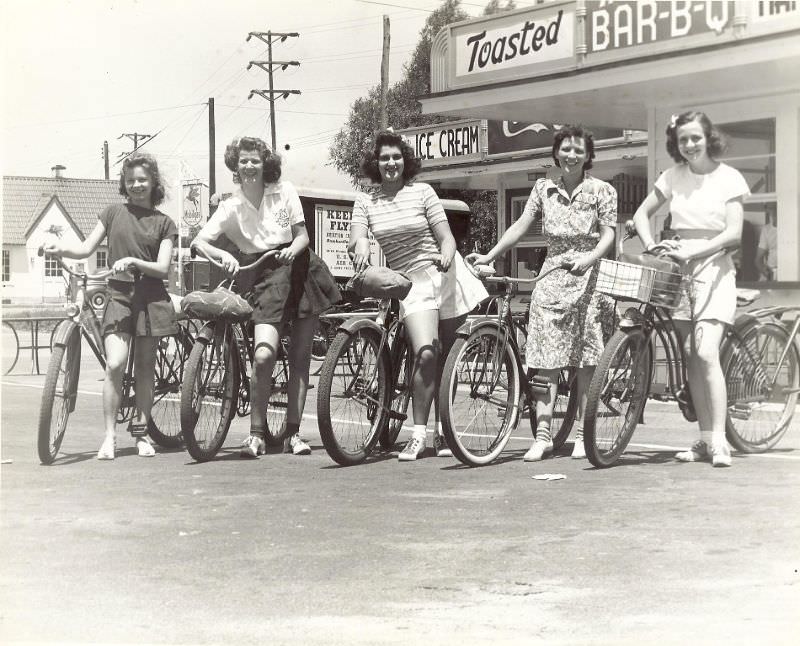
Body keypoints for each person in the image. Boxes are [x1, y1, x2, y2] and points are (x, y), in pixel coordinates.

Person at [467, 124, 617, 461]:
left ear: (589, 155)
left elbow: (608, 235)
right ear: (556, 152)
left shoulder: (603, 190)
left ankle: (583, 433)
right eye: (566, 148)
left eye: (579, 150)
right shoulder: (542, 188)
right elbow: (521, 225)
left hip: (590, 276)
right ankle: (543, 435)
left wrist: (589, 258)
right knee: (545, 361)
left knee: (586, 362)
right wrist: (491, 254)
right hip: (551, 276)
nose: (572, 155)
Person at [192, 136, 340, 458]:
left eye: (254, 160)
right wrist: (222, 254)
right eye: (243, 161)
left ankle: (294, 434)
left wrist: (290, 250)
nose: (248, 166)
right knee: (262, 356)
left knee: (300, 359)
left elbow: (302, 236)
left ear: (265, 164)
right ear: (235, 164)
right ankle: (256, 434)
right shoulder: (230, 206)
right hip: (263, 278)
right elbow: (199, 241)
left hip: (299, 271)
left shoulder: (283, 192)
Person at [350, 130, 488, 461]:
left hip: (444, 272)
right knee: (426, 353)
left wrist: (445, 253)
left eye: (396, 156)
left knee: (445, 359)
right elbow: (357, 234)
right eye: (384, 158)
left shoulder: (423, 192)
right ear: (375, 163)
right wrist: (361, 246)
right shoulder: (366, 200)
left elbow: (446, 238)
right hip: (410, 281)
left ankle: (443, 432)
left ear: (405, 160)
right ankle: (419, 434)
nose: (391, 163)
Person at [632, 111, 749, 467]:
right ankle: (704, 438)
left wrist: (693, 251)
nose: (690, 145)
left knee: (706, 350)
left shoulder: (729, 177)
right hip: (679, 273)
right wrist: (652, 244)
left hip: (715, 268)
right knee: (688, 353)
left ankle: (721, 442)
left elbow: (734, 233)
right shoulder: (672, 176)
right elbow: (640, 215)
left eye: (695, 137)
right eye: (683, 139)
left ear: (708, 137)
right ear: (676, 143)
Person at [43, 153, 178, 459]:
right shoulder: (112, 212)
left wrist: (134, 261)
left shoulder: (165, 224)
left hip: (150, 297)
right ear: (123, 183)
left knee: (145, 367)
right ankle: (109, 437)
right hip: (118, 298)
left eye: (142, 180)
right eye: (130, 180)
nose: (136, 185)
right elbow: (85, 248)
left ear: (154, 182)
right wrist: (60, 246)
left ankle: (143, 435)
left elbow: (163, 268)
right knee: (115, 364)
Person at [755, 208, 777, 281]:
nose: (774, 216)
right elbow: (758, 260)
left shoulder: (795, 226)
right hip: (772, 272)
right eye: (772, 213)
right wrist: (766, 273)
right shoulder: (766, 229)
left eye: (776, 213)